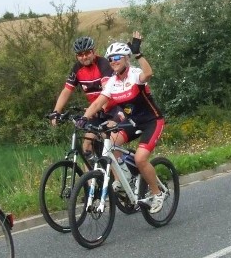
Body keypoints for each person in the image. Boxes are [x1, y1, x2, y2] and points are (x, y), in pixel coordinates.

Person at [80, 33, 168, 214]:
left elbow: (149, 73)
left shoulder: (135, 75)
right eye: (111, 59)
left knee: (140, 158)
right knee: (109, 145)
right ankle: (125, 177)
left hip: (152, 120)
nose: (113, 61)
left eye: (117, 57)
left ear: (126, 58)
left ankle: (157, 193)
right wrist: (84, 118)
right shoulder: (112, 82)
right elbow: (97, 103)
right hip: (132, 121)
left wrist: (139, 54)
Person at [50, 36, 115, 154]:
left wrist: (99, 108)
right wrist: (56, 112)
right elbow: (66, 91)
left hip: (112, 109)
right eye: (80, 54)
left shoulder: (103, 64)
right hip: (95, 111)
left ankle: (121, 168)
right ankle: (91, 173)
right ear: (76, 56)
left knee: (108, 144)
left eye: (87, 53)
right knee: (86, 146)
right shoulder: (77, 68)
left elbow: (107, 91)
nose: (84, 57)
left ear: (93, 51)